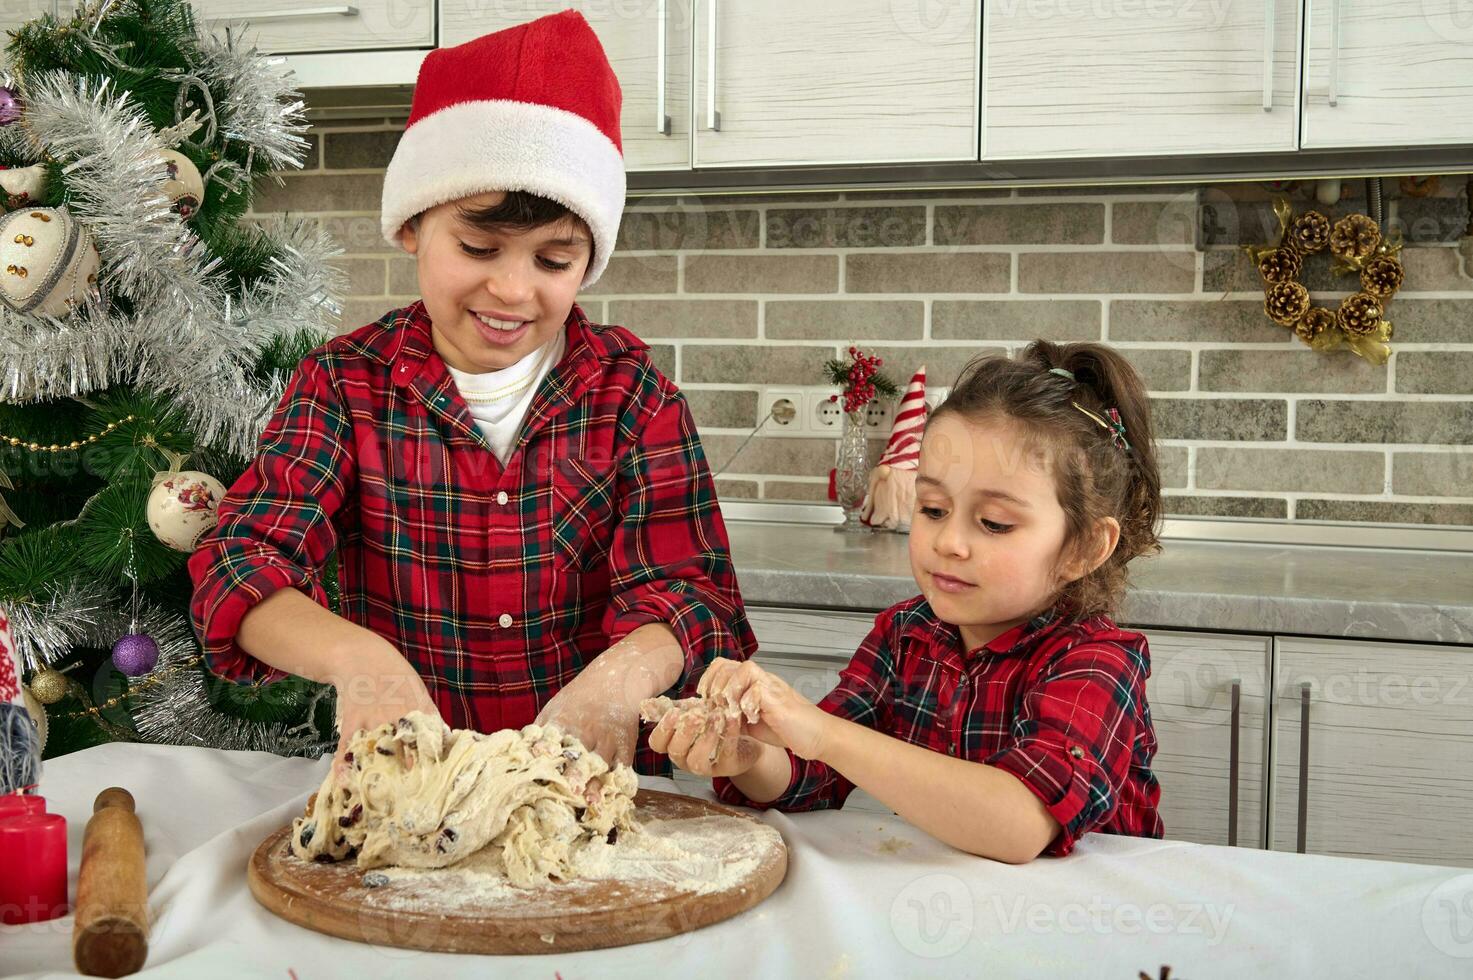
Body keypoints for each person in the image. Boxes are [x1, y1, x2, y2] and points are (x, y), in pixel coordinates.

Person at [188, 11, 755, 774]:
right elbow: (241, 563)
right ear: (413, 227)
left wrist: (623, 678)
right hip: (413, 791)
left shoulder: (633, 397)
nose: (512, 289)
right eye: (478, 248)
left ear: (587, 260)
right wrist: (365, 664)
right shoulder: (343, 384)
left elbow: (694, 597)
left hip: (594, 800)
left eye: (553, 260)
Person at [652, 341, 1165, 862]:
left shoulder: (1098, 662)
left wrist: (821, 733)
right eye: (933, 508)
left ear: (1083, 548)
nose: (949, 543)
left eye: (994, 523)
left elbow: (1018, 825)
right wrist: (749, 757)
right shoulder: (906, 636)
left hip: (1085, 918)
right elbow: (815, 773)